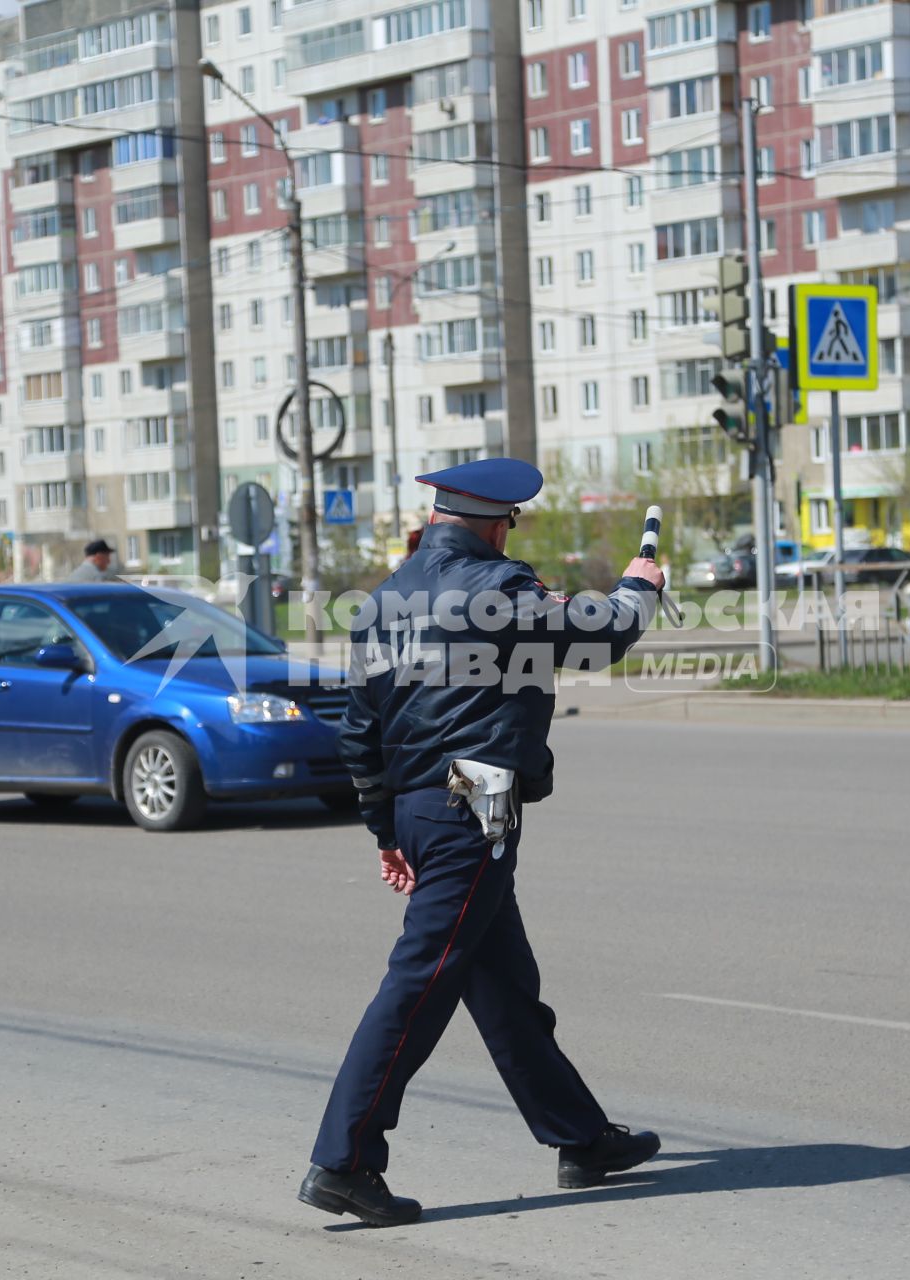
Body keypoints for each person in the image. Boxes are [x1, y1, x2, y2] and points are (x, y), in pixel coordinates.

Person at [298, 458, 666, 1228]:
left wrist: (383, 830)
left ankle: (579, 1138)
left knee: (500, 981)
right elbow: (601, 640)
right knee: (421, 982)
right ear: (497, 521)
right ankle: (345, 1160)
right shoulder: (497, 588)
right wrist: (641, 586)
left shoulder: (380, 603)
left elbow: (359, 730)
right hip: (477, 802)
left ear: (438, 517)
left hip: (419, 807)